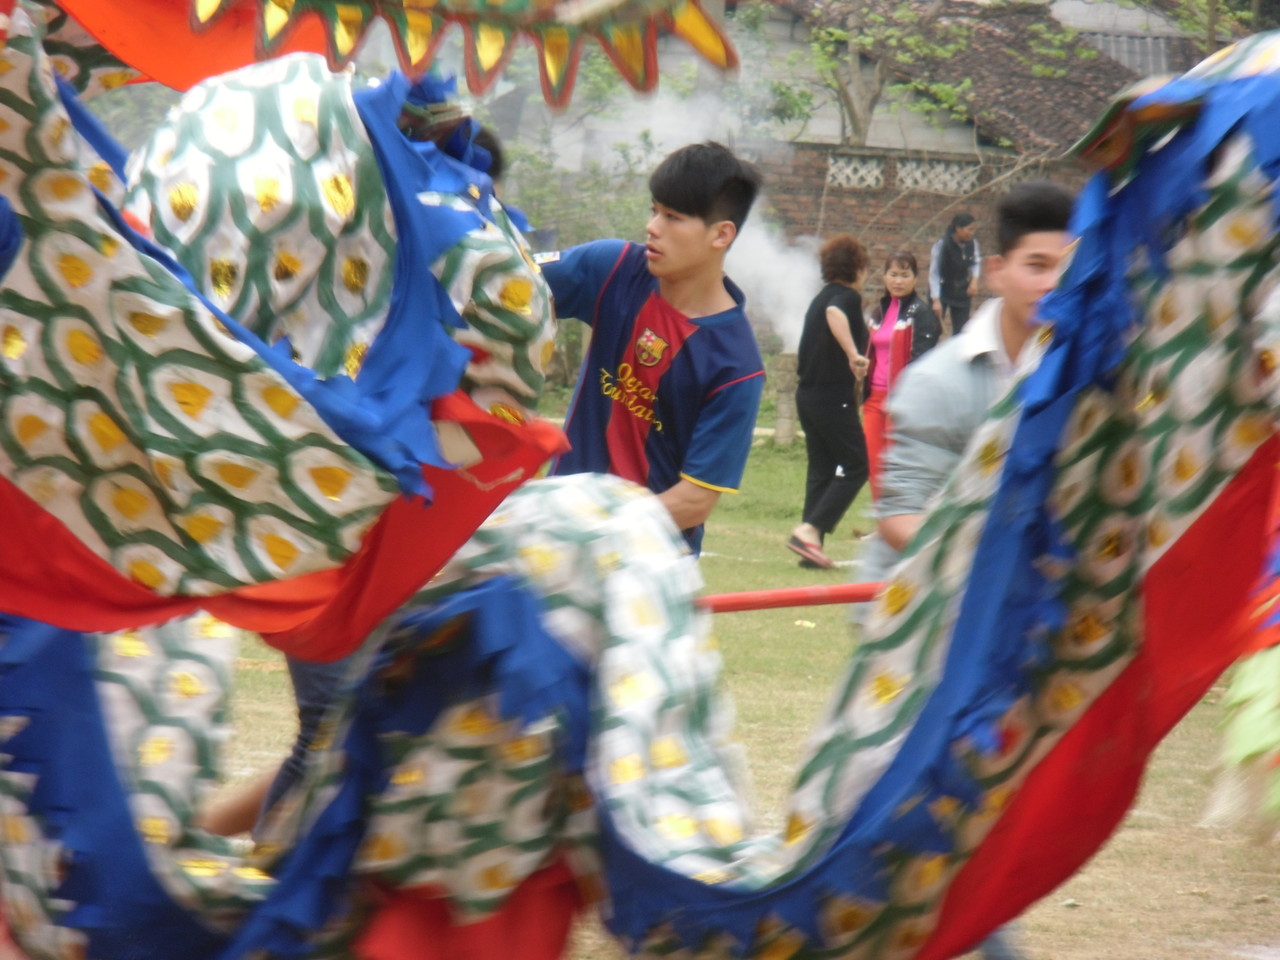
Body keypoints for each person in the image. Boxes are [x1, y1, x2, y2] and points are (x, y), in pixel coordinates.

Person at [854, 180, 1075, 960]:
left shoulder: (1085, 377)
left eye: (1071, 269)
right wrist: (1000, 558)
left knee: (972, 824)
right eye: (1038, 265)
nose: (1054, 286)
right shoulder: (947, 380)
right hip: (914, 629)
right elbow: (899, 518)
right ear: (996, 272)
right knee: (926, 822)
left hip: (1008, 631)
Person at [540, 141, 766, 555]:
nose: (653, 227)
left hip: (649, 565)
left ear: (721, 234)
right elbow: (506, 282)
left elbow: (694, 501)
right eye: (654, 210)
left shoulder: (737, 366)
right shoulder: (613, 270)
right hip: (558, 536)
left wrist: (596, 531)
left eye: (673, 217)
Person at [787, 234, 871, 570]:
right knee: (857, 464)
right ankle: (810, 530)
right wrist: (853, 354)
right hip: (830, 398)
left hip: (807, 396)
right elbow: (837, 314)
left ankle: (811, 549)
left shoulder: (820, 296)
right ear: (857, 268)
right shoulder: (845, 298)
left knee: (822, 469)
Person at [863, 250, 941, 498]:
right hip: (874, 398)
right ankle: (881, 524)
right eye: (893, 274)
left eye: (904, 275)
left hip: (903, 401)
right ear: (884, 277)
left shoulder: (923, 314)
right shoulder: (878, 312)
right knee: (874, 463)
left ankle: (900, 524)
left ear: (915, 278)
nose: (898, 281)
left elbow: (922, 360)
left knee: (899, 464)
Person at [929, 211, 981, 334]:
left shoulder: (973, 244)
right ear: (958, 229)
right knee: (933, 330)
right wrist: (936, 300)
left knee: (961, 331)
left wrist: (974, 281)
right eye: (969, 229)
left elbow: (976, 262)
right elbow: (934, 273)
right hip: (942, 289)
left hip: (961, 291)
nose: (972, 233)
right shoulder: (941, 245)